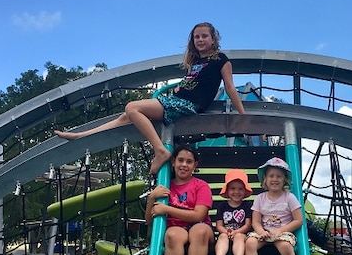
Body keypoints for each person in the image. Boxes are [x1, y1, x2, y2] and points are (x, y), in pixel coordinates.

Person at [54, 22, 247, 175]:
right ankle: (80, 135)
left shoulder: (221, 59)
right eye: (196, 37)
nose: (200, 39)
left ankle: (160, 150)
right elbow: (193, 81)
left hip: (188, 105)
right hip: (177, 99)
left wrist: (243, 116)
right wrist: (180, 86)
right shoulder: (195, 62)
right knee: (124, 118)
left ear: (214, 39)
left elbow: (229, 87)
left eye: (205, 36)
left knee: (132, 108)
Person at [145, 144, 214, 255]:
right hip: (178, 230)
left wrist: (167, 210)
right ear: (174, 162)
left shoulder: (201, 185)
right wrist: (152, 198)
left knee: (199, 231)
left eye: (189, 162)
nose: (184, 165)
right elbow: (149, 221)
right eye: (181, 160)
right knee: (172, 234)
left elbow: (199, 215)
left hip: (200, 228)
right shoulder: (165, 186)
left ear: (195, 165)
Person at [239, 157, 304, 255]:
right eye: (271, 176)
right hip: (264, 232)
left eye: (279, 176)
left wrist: (280, 230)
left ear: (285, 179)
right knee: (250, 242)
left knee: (286, 247)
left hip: (282, 232)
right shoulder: (261, 198)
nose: (275, 179)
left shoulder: (289, 197)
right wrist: (261, 232)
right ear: (265, 180)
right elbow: (255, 221)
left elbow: (298, 220)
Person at [213, 169, 254, 255]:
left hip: (241, 234)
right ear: (227, 191)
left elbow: (247, 224)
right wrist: (227, 232)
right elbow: (219, 225)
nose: (237, 192)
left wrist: (236, 232)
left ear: (245, 191)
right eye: (233, 188)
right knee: (222, 236)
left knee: (240, 237)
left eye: (240, 189)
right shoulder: (222, 206)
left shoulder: (247, 205)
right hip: (226, 233)